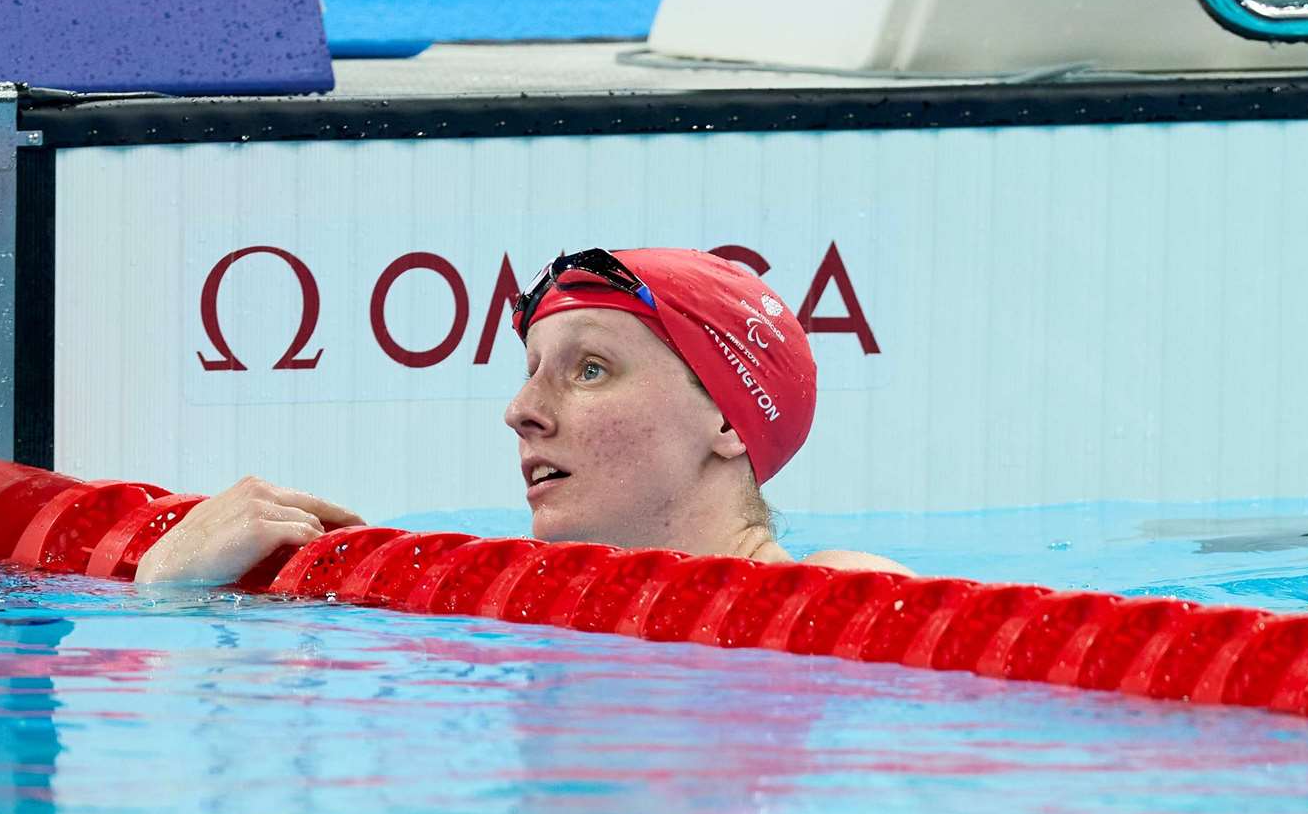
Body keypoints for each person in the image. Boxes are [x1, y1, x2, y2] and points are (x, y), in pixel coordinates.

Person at [136, 248, 909, 584]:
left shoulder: (849, 595)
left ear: (729, 423)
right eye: (530, 372)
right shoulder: (498, 599)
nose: (520, 412)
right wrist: (167, 592)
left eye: (591, 369)